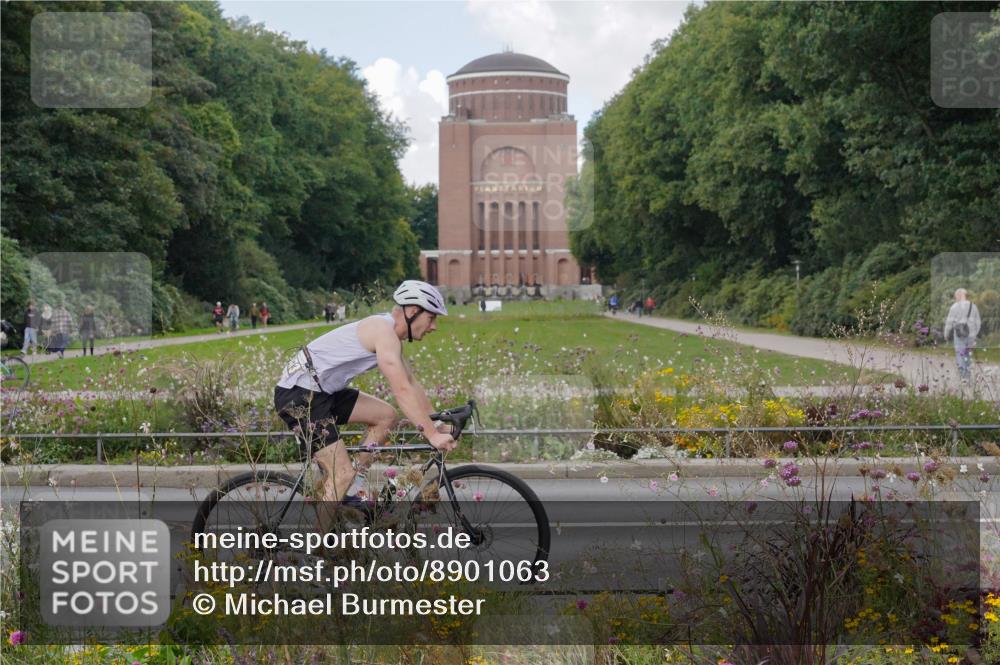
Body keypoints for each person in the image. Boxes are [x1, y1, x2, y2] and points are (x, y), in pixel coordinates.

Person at [274, 280, 456, 504]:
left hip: (322, 392)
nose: (434, 326)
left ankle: (354, 486)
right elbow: (400, 390)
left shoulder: (390, 335)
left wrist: (438, 424)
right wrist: (432, 435)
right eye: (431, 317)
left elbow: (410, 383)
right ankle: (319, 538)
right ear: (412, 311)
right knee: (340, 475)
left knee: (386, 416)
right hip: (298, 395)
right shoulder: (382, 331)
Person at [944, 288, 982, 383]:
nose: (955, 298)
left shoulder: (954, 307)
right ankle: (967, 376)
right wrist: (975, 334)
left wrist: (946, 334)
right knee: (968, 355)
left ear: (959, 295)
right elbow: (978, 322)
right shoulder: (973, 306)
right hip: (971, 336)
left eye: (956, 296)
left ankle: (963, 377)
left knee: (960, 354)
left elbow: (949, 322)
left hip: (959, 335)